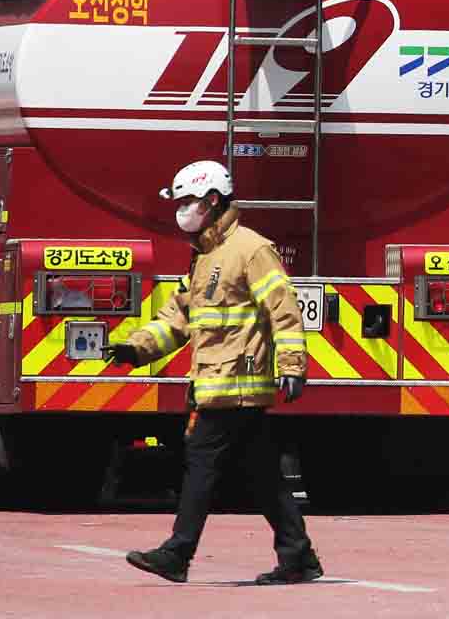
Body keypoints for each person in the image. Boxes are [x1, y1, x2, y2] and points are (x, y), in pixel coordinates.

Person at [115, 161, 321, 585]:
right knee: (263, 475)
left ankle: (177, 553)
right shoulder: (205, 256)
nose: (182, 210)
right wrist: (137, 348)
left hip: (236, 385)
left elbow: (283, 311)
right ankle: (298, 557)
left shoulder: (250, 249)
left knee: (201, 462)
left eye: (189, 201)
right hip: (218, 385)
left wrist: (293, 366)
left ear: (213, 200)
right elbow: (178, 318)